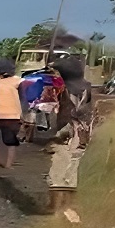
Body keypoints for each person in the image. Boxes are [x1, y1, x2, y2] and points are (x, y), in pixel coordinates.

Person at [47, 57, 94, 214]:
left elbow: (69, 114)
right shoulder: (86, 87)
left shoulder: (67, 89)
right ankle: (68, 206)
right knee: (72, 172)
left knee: (57, 173)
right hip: (82, 135)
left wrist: (58, 135)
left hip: (67, 135)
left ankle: (55, 208)